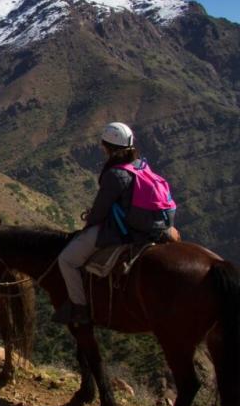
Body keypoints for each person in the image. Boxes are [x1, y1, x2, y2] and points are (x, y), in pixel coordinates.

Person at [54, 122, 175, 324]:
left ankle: (79, 307)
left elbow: (99, 213)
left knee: (67, 259)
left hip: (125, 230)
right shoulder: (141, 166)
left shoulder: (115, 174)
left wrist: (87, 225)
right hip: (156, 226)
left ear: (107, 147)